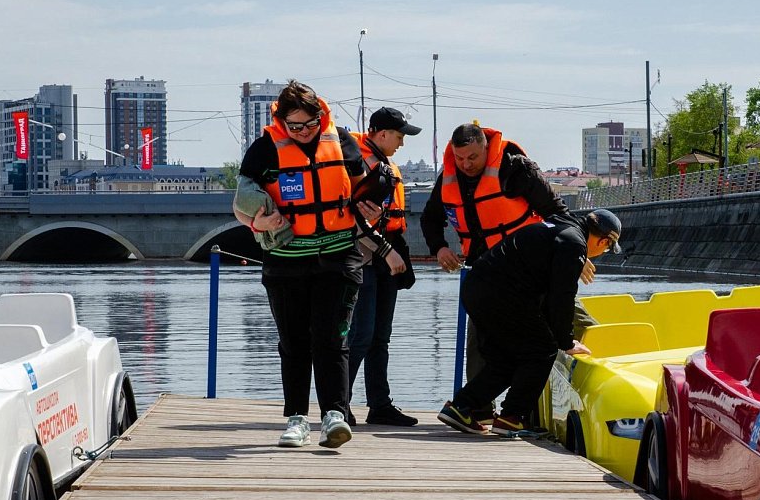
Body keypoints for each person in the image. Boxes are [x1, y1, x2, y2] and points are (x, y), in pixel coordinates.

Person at [234, 80, 405, 449]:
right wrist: (257, 223)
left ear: (320, 115)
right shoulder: (264, 150)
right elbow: (240, 204)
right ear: (281, 122)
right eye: (293, 127)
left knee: (333, 339)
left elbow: (361, 193)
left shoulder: (342, 143)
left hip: (338, 259)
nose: (302, 133)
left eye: (309, 124)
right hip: (285, 262)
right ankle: (296, 419)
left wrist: (370, 210)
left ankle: (334, 417)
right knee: (293, 343)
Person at [420, 123, 572, 422]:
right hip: (485, 274)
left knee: (546, 337)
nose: (466, 165)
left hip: (527, 271)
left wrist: (573, 252)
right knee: (481, 345)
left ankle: (531, 415)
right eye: (460, 158)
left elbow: (555, 211)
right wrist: (439, 248)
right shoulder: (450, 178)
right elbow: (430, 218)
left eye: (473, 158)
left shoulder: (515, 168)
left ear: (486, 148)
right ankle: (477, 412)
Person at [437, 209, 622, 436]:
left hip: (477, 288)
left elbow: (545, 293)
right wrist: (566, 341)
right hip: (500, 294)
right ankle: (513, 417)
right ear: (603, 241)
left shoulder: (561, 226)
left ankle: (460, 408)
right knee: (543, 349)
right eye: (605, 248)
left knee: (505, 359)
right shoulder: (574, 245)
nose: (601, 252)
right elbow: (561, 297)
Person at [347, 107, 421, 427]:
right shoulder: (358, 163)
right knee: (361, 334)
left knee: (381, 336)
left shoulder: (385, 163)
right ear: (382, 134)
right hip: (364, 256)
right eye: (400, 136)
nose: (402, 143)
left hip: (385, 255)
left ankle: (379, 405)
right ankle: (339, 403)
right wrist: (384, 248)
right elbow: (352, 217)